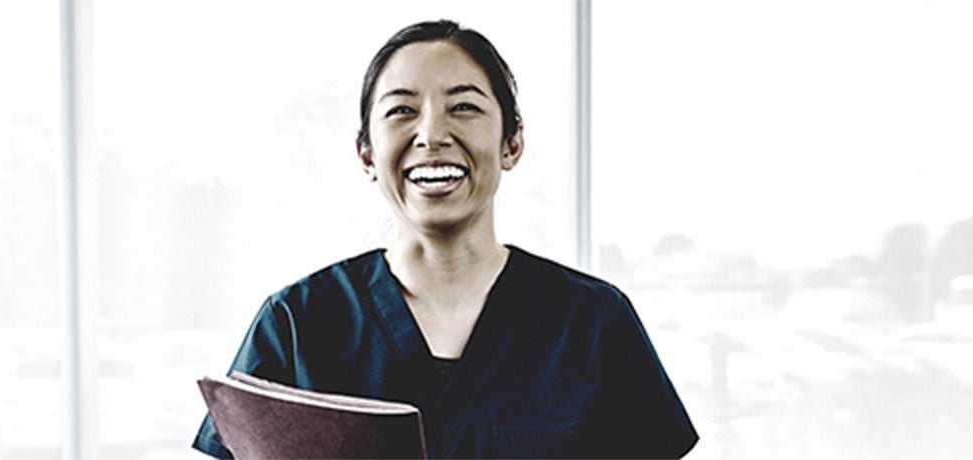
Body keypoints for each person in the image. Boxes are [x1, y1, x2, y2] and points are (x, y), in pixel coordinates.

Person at [192, 19, 697, 459]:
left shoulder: (594, 324)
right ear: (366, 154)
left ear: (512, 143)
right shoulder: (297, 324)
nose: (432, 134)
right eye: (401, 110)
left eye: (464, 107)